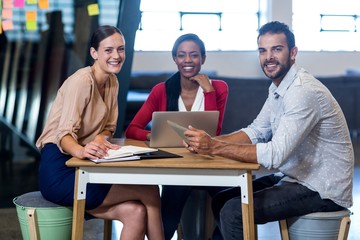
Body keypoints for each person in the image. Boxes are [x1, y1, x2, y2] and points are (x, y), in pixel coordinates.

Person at [183, 21, 354, 240]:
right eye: (263, 50)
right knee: (221, 200)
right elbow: (256, 130)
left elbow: (275, 154)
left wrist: (214, 146)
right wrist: (208, 141)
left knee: (233, 212)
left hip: (322, 189)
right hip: (296, 177)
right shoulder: (278, 87)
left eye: (277, 49)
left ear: (293, 53)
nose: (268, 57)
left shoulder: (302, 91)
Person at [36, 25, 164, 240]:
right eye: (109, 50)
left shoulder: (112, 81)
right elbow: (63, 135)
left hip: (88, 167)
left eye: (121, 49)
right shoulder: (82, 81)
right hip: (61, 169)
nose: (117, 56)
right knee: (149, 189)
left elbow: (108, 127)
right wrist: (82, 151)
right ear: (94, 53)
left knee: (137, 211)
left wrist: (99, 139)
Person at [125, 33, 228, 239]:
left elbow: (213, 132)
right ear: (175, 59)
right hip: (178, 166)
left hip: (209, 163)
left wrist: (208, 91)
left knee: (231, 205)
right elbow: (132, 129)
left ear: (203, 59)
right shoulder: (161, 91)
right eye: (181, 55)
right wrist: (155, 135)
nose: (188, 60)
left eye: (194, 55)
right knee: (167, 221)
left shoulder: (218, 88)